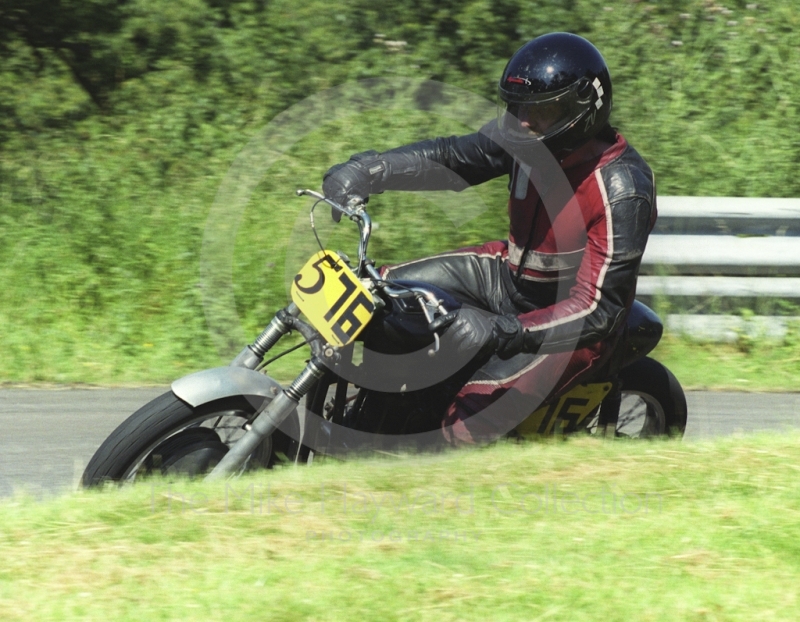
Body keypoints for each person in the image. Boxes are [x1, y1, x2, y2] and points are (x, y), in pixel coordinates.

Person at [322, 32, 656, 444]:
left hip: (567, 329)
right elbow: (453, 158)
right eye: (518, 109)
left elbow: (599, 309)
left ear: (582, 108)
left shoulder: (621, 187)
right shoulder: (528, 139)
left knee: (462, 429)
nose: (523, 121)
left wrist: (501, 330)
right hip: (508, 278)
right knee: (369, 296)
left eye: (541, 111)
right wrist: (371, 170)